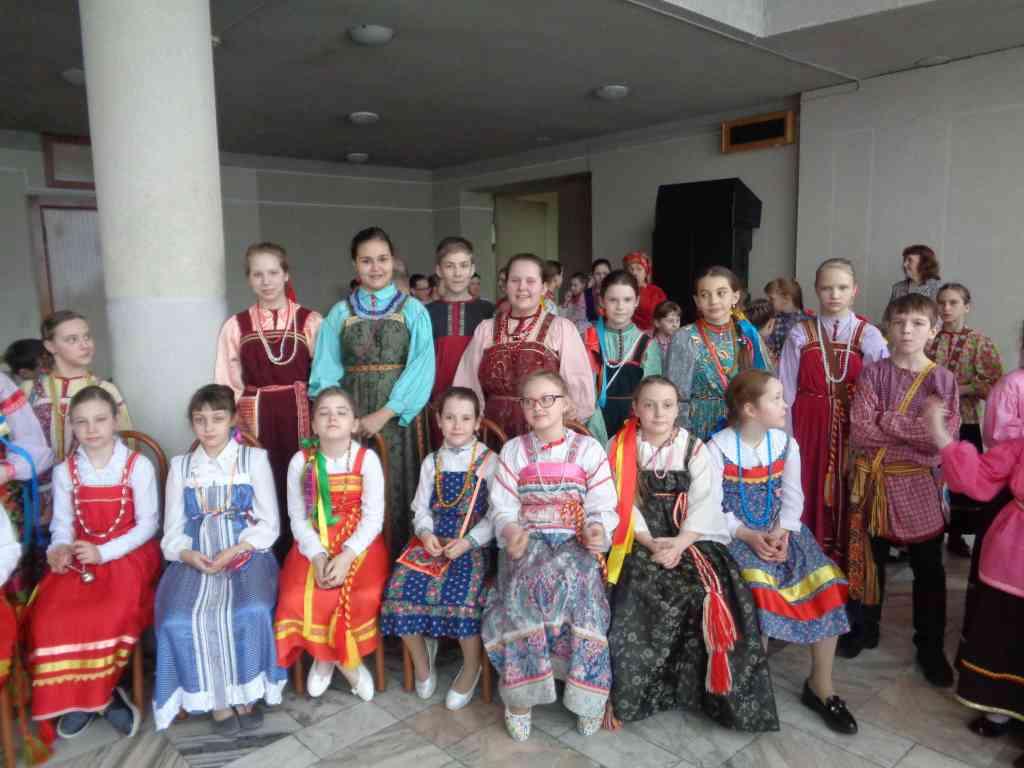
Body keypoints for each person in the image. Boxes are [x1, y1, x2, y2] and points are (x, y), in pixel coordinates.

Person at [605, 376, 778, 732]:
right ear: (635, 408)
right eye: (649, 405)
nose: (658, 413)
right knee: (636, 590)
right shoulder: (620, 446)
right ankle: (638, 695)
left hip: (690, 535)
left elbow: (705, 502)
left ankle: (701, 694)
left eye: (667, 405)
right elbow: (621, 503)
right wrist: (651, 543)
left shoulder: (694, 448)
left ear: (678, 409)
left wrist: (681, 543)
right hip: (638, 536)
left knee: (708, 592)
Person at [710, 370, 857, 735]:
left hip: (781, 533)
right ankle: (751, 687)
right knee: (759, 593)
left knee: (826, 583)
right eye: (776, 398)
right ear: (750, 409)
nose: (785, 404)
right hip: (735, 537)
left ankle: (821, 685)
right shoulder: (717, 448)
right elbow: (712, 506)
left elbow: (793, 496)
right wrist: (747, 534)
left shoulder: (785, 444)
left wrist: (784, 530)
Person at [483, 371, 617, 741]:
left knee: (582, 586)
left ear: (566, 403)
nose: (538, 407)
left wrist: (596, 529)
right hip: (527, 539)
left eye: (547, 399)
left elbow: (603, 504)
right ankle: (520, 698)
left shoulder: (588, 450)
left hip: (575, 539)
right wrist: (511, 533)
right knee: (525, 584)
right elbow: (502, 508)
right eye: (529, 401)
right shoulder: (513, 451)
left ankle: (587, 695)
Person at [26, 386, 160, 738]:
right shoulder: (65, 471)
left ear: (115, 420)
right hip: (81, 555)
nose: (92, 429)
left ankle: (97, 695)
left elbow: (148, 525)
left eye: (100, 419)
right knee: (49, 615)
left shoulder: (137, 465)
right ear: (71, 426)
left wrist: (105, 552)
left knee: (109, 611)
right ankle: (97, 700)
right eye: (81, 422)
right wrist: (59, 548)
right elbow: (62, 524)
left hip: (129, 553)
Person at [153, 384, 285, 733]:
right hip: (196, 557)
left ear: (233, 419)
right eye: (200, 420)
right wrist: (186, 554)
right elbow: (172, 530)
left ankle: (245, 692)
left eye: (217, 418)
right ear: (192, 424)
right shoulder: (182, 466)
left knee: (251, 608)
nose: (208, 427)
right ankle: (217, 698)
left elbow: (269, 524)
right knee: (178, 617)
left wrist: (236, 550)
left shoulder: (253, 460)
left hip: (246, 553)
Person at [842, 294, 959, 686]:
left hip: (919, 483)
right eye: (899, 322)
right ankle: (865, 628)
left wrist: (887, 419)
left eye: (918, 323)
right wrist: (913, 429)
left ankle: (930, 646)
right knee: (869, 561)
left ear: (934, 330)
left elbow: (940, 438)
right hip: (874, 482)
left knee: (929, 569)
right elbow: (861, 430)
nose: (907, 331)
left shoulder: (943, 380)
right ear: (888, 327)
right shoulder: (873, 374)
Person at [310, 226, 434, 557]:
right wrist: (340, 418)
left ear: (393, 261)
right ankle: (358, 561)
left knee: (398, 486)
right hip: (352, 417)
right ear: (355, 264)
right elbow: (325, 373)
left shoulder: (413, 310)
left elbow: (421, 369)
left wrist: (386, 412)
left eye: (382, 259)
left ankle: (399, 563)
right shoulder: (339, 313)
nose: (376, 267)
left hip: (399, 418)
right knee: (354, 488)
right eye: (366, 261)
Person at [381, 387, 495, 710]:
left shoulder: (490, 461)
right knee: (399, 590)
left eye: (466, 418)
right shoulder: (432, 462)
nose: (457, 425)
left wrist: (469, 542)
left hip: (471, 544)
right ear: (439, 421)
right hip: (432, 542)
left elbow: (496, 515)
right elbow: (420, 508)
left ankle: (471, 666)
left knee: (463, 598)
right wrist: (425, 533)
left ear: (477, 422)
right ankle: (422, 660)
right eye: (450, 418)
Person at [275, 387, 388, 701]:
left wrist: (347, 556)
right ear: (313, 424)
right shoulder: (301, 462)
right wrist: (317, 555)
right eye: (323, 413)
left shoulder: (367, 460)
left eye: (341, 412)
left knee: (361, 593)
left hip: (360, 545)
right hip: (313, 542)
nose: (332, 418)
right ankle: (340, 662)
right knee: (296, 593)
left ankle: (329, 657)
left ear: (354, 423)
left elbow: (373, 518)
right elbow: (298, 518)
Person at [215, 242, 322, 560]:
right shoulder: (236, 326)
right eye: (257, 274)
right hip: (255, 418)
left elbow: (324, 376)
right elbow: (226, 383)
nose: (266, 281)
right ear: (249, 279)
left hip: (301, 413)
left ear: (286, 274)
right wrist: (234, 425)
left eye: (273, 272)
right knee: (262, 482)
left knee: (303, 479)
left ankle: (305, 553)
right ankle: (264, 556)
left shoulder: (311, 321)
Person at [779, 259, 888, 566]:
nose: (834, 294)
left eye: (842, 287)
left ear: (854, 290)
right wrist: (785, 439)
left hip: (852, 428)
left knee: (848, 489)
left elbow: (880, 392)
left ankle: (846, 566)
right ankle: (806, 562)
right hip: (807, 426)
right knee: (804, 485)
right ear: (816, 290)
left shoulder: (869, 335)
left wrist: (870, 436)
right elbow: (785, 388)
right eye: (827, 288)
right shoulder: (800, 333)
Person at [928, 396, 1024, 740]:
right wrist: (940, 434)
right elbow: (978, 478)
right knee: (1001, 637)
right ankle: (1000, 710)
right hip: (1010, 558)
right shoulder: (1019, 446)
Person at [453, 252, 595, 439]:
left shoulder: (561, 329)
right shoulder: (486, 329)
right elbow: (466, 384)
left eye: (530, 281)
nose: (522, 287)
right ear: (505, 285)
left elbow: (579, 392)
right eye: (515, 280)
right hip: (492, 433)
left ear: (544, 287)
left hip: (544, 436)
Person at [24, 311, 133, 522]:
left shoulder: (105, 390)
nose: (85, 345)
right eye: (72, 339)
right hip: (38, 495)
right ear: (50, 346)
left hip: (92, 493)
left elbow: (127, 442)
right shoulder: (30, 391)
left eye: (87, 336)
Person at [927, 283, 1003, 557]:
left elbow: (994, 382)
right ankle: (927, 533)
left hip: (965, 419)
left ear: (966, 307)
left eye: (953, 303)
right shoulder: (929, 338)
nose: (946, 308)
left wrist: (958, 389)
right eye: (942, 302)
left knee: (961, 478)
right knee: (929, 476)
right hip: (930, 421)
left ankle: (957, 534)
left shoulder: (980, 341)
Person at [664, 267, 771, 442]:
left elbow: (765, 385)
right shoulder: (684, 337)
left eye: (721, 293)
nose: (713, 301)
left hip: (742, 423)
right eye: (705, 295)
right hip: (699, 426)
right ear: (697, 301)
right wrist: (684, 439)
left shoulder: (748, 335)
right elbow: (674, 395)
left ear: (735, 297)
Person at [584, 270, 662, 444]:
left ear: (637, 301)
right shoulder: (589, 338)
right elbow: (582, 387)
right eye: (613, 300)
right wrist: (593, 423)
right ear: (602, 301)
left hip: (635, 424)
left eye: (627, 300)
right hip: (594, 421)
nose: (620, 307)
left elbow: (652, 392)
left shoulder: (647, 344)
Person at [0, 372, 53, 597]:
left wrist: (8, 470)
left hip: (4, 497)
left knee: (11, 572)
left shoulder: (1, 385)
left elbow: (32, 444)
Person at [426, 237, 495, 409]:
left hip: (479, 402)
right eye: (450, 266)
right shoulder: (426, 313)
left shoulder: (488, 311)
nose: (457, 273)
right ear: (439, 270)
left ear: (472, 269)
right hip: (437, 403)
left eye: (464, 265)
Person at [764, 278, 812, 361]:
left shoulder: (808, 321)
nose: (768, 302)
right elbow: (770, 347)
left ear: (786, 299)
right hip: (776, 366)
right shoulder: (773, 319)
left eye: (772, 299)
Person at [623, 251, 668, 333]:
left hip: (653, 335)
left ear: (646, 272)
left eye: (639, 269)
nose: (634, 273)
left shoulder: (657, 292)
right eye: (631, 269)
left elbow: (665, 315)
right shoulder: (621, 291)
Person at [561, 271, 591, 336]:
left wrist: (568, 321)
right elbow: (563, 315)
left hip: (583, 331)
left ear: (583, 285)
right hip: (573, 329)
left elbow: (581, 315)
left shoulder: (585, 297)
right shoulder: (572, 298)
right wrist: (566, 301)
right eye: (571, 285)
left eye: (575, 285)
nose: (572, 288)